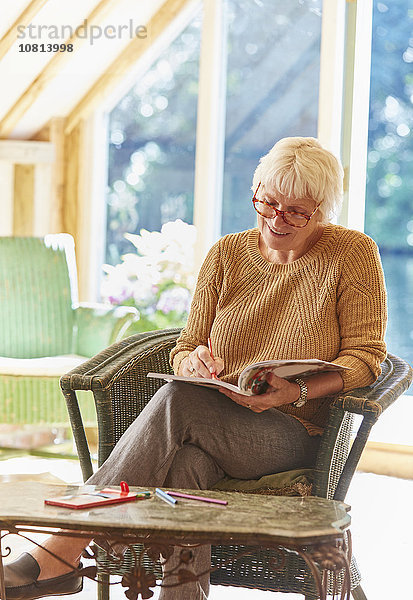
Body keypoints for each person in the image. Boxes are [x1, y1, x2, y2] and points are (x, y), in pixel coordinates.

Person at [2, 137, 387, 600]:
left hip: (295, 431)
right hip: (215, 419)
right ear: (255, 190)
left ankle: (62, 549)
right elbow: (184, 346)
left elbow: (367, 359)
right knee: (186, 463)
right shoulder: (227, 253)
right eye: (267, 202)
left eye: (295, 212)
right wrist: (194, 361)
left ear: (322, 211)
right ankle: (182, 594)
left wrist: (294, 393)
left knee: (180, 402)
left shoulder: (352, 254)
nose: (275, 219)